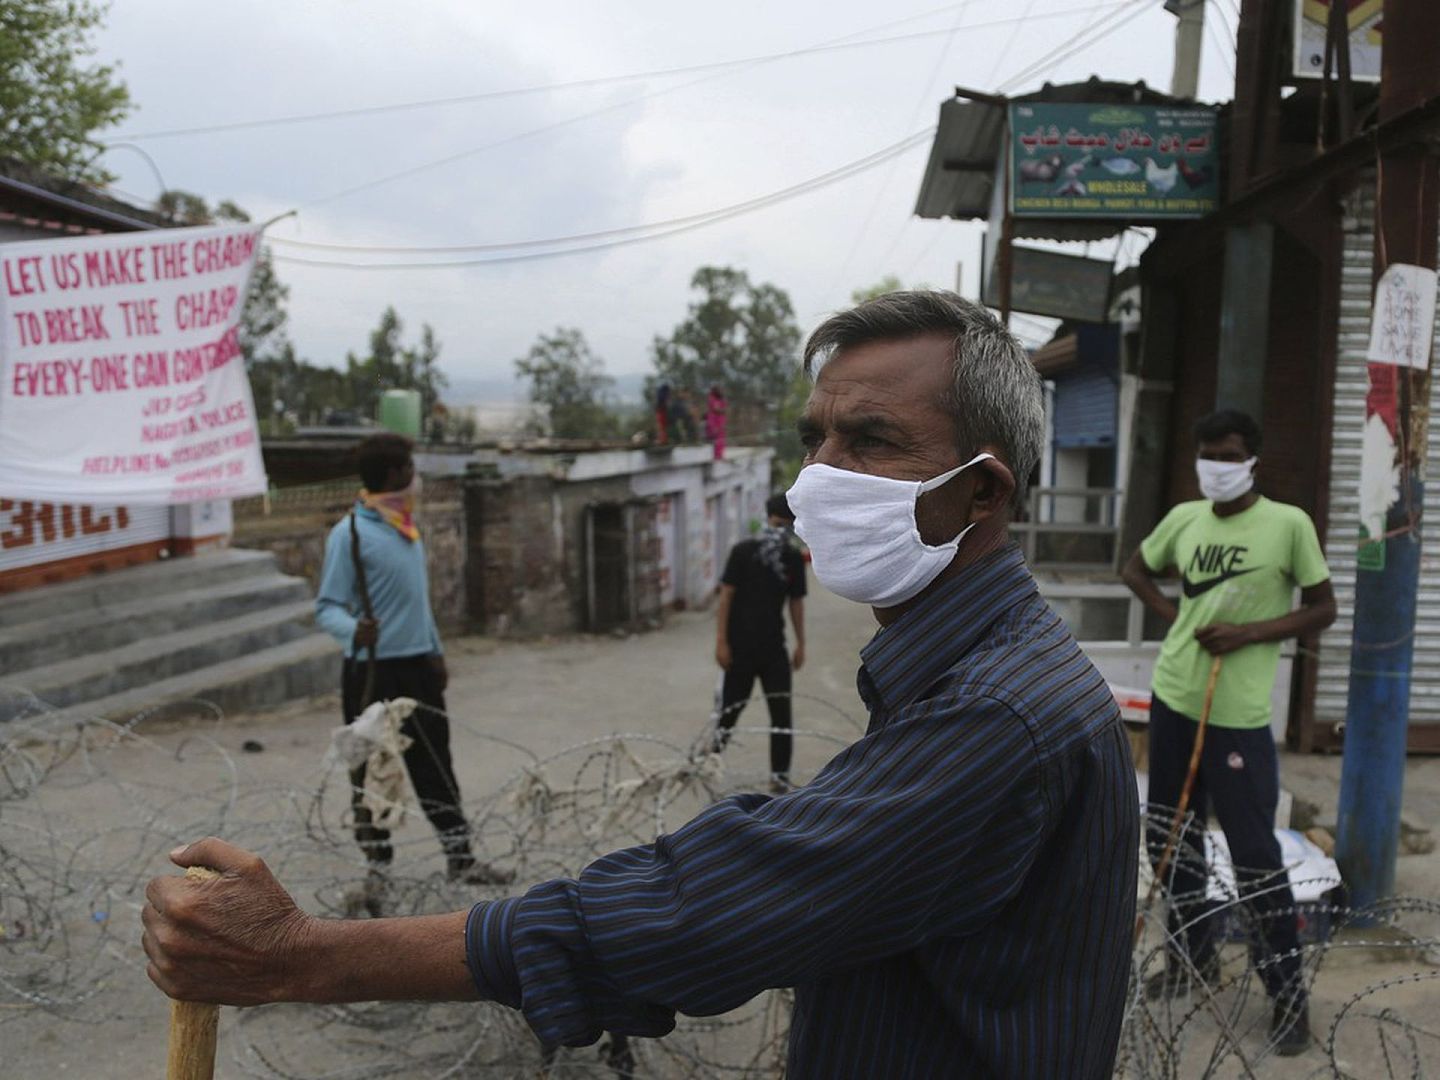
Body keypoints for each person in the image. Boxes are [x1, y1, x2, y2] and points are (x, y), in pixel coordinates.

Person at [144, 292, 1138, 1078]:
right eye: (812, 438)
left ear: (982, 489)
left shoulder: (997, 714)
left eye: (869, 440)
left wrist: (307, 957)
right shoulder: (967, 669)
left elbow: (701, 912)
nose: (814, 479)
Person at [1121, 407, 1336, 1057]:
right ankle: (1193, 961)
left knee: (1254, 856)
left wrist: (1248, 633)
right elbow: (1135, 568)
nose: (1217, 465)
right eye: (1208, 455)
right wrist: (1177, 616)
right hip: (1175, 698)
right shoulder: (1185, 520)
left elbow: (1323, 608)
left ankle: (1287, 994)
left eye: (1229, 454)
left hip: (1237, 715)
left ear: (1252, 460)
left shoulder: (1287, 525)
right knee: (1173, 836)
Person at [315, 432, 508, 888]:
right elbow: (327, 606)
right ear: (394, 475)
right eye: (409, 469)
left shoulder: (407, 529)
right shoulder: (352, 534)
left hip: (418, 667)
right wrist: (352, 630)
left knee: (435, 765)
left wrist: (436, 651)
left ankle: (460, 857)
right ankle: (377, 869)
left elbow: (417, 603)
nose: (416, 477)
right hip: (371, 670)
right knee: (369, 769)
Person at [712, 493, 805, 793]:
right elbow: (726, 596)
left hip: (773, 648)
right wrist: (721, 641)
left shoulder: (792, 558)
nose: (782, 531)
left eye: (787, 526)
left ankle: (779, 777)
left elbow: (796, 603)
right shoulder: (743, 552)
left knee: (781, 715)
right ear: (768, 519)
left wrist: (801, 642)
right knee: (730, 710)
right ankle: (707, 763)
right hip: (740, 647)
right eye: (779, 523)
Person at [705, 383, 728, 460]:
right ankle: (717, 457)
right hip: (714, 422)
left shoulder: (720, 398)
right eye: (719, 390)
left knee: (721, 441)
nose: (721, 391)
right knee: (717, 440)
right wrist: (723, 410)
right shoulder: (712, 398)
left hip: (720, 422)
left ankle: (720, 456)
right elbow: (716, 409)